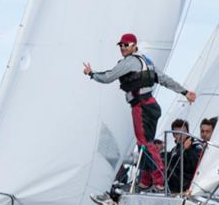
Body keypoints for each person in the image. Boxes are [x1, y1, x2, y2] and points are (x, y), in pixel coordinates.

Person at [84, 33, 195, 191]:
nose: (123, 48)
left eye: (126, 44)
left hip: (141, 107)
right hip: (152, 106)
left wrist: (91, 74)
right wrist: (184, 92)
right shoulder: (146, 61)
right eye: (121, 45)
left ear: (134, 46)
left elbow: (108, 77)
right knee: (145, 144)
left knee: (144, 143)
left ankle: (159, 180)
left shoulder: (129, 62)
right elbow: (164, 79)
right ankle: (145, 180)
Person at [166, 119, 203, 193]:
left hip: (187, 189)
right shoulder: (175, 149)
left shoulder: (196, 146)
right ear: (173, 135)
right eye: (177, 133)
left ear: (187, 133)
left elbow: (195, 166)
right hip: (173, 189)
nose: (180, 136)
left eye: (183, 132)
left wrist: (188, 150)